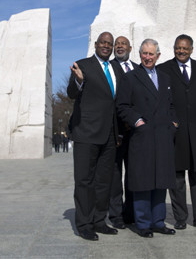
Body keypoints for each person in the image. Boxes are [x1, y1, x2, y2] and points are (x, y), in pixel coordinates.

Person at [116, 39, 178, 238]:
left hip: (163, 136)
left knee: (161, 181)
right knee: (142, 181)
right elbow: (123, 106)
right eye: (145, 53)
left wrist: (174, 124)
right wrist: (137, 122)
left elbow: (171, 106)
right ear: (140, 54)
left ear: (158, 55)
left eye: (151, 54)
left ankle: (158, 221)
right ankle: (143, 223)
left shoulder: (166, 78)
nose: (148, 57)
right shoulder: (130, 77)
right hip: (142, 136)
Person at [67, 32, 123, 241]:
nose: (107, 46)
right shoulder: (82, 65)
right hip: (86, 133)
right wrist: (78, 81)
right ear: (96, 44)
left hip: (110, 134)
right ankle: (84, 224)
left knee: (103, 181)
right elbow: (72, 93)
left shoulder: (116, 68)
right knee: (84, 181)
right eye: (103, 43)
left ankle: (100, 221)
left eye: (110, 43)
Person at [158, 34, 196, 231]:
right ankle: (180, 217)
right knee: (177, 178)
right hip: (175, 133)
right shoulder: (163, 69)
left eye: (185, 48)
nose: (181, 51)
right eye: (177, 48)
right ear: (174, 48)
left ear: (191, 49)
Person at [108, 36, 138, 229]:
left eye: (123, 44)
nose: (119, 46)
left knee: (134, 173)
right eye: (117, 44)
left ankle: (131, 212)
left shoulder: (138, 67)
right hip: (115, 130)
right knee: (115, 174)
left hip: (135, 131)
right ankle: (116, 214)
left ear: (130, 47)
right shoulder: (108, 67)